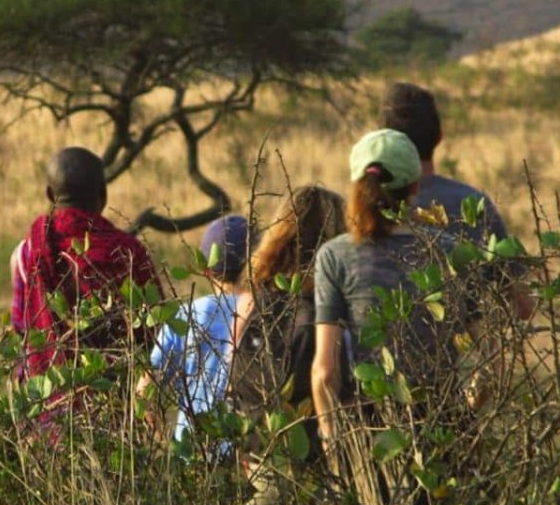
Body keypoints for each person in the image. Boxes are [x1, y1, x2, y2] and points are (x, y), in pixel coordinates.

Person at [310, 129, 466, 447]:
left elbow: (325, 372)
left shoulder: (335, 256)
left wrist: (332, 437)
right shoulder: (448, 250)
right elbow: (490, 360)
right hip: (443, 424)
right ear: (415, 186)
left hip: (369, 432)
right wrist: (463, 420)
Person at [380, 80, 534, 319]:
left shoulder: (364, 212)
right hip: (465, 351)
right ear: (439, 137)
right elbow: (522, 304)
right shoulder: (474, 203)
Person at [10, 146, 161, 381]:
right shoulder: (129, 253)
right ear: (103, 194)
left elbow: (23, 329)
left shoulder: (26, 254)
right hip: (116, 397)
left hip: (44, 396)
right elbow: (156, 328)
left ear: (50, 195)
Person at [229, 186, 348, 460]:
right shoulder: (329, 308)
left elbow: (231, 376)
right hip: (317, 455)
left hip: (260, 450)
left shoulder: (255, 301)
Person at [150, 214, 251, 442]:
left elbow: (145, 390)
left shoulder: (187, 315)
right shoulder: (263, 314)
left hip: (193, 449)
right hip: (248, 452)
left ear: (205, 269)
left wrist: (162, 443)